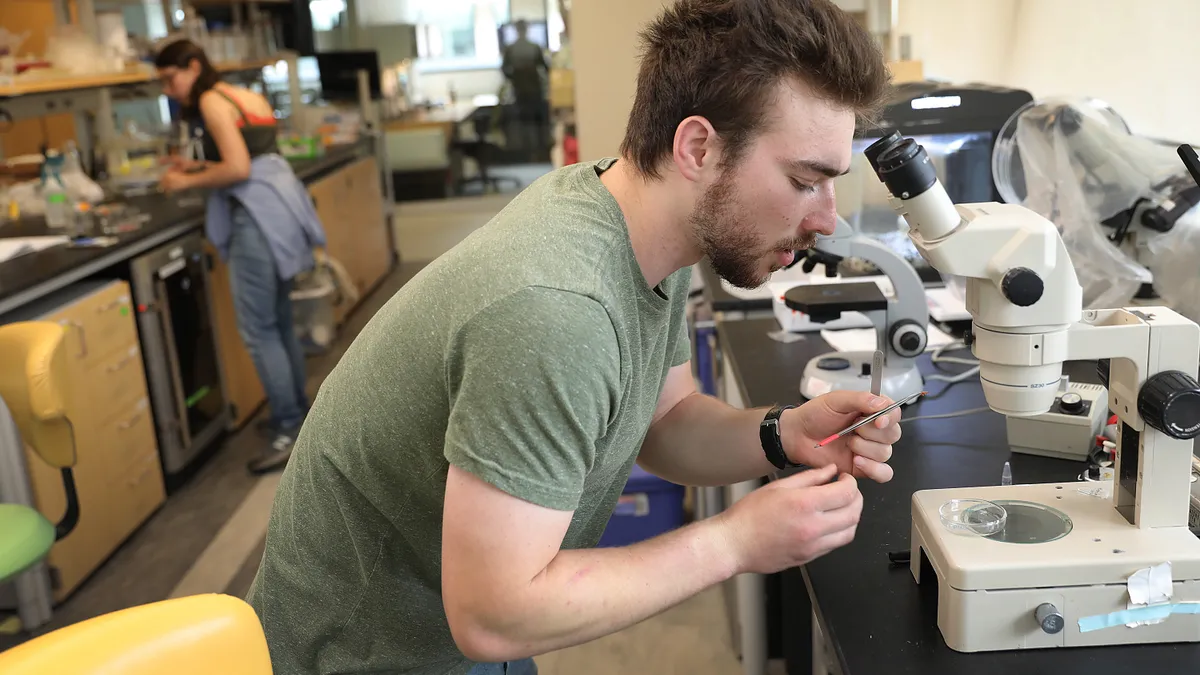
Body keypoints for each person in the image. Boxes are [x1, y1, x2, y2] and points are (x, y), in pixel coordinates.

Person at [246, 0, 893, 672]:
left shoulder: (639, 221)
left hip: (464, 616)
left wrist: (781, 432)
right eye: (803, 180)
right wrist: (732, 542)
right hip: (373, 653)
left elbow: (664, 419)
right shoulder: (557, 308)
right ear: (698, 148)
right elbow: (494, 616)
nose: (827, 218)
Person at [155, 39, 326, 475]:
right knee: (279, 319)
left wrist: (182, 183)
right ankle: (298, 414)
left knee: (258, 328)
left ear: (193, 66)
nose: (169, 90)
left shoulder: (211, 101)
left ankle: (288, 428)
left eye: (171, 79)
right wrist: (197, 167)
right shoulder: (242, 95)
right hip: (281, 206)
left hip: (256, 217)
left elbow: (238, 169)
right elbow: (255, 154)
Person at [501, 19, 550, 161]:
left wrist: (515, 78)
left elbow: (504, 69)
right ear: (527, 29)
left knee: (523, 122)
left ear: (516, 30)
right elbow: (545, 68)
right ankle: (538, 153)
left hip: (519, 90)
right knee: (538, 122)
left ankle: (525, 154)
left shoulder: (510, 48)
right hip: (535, 89)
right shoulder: (535, 47)